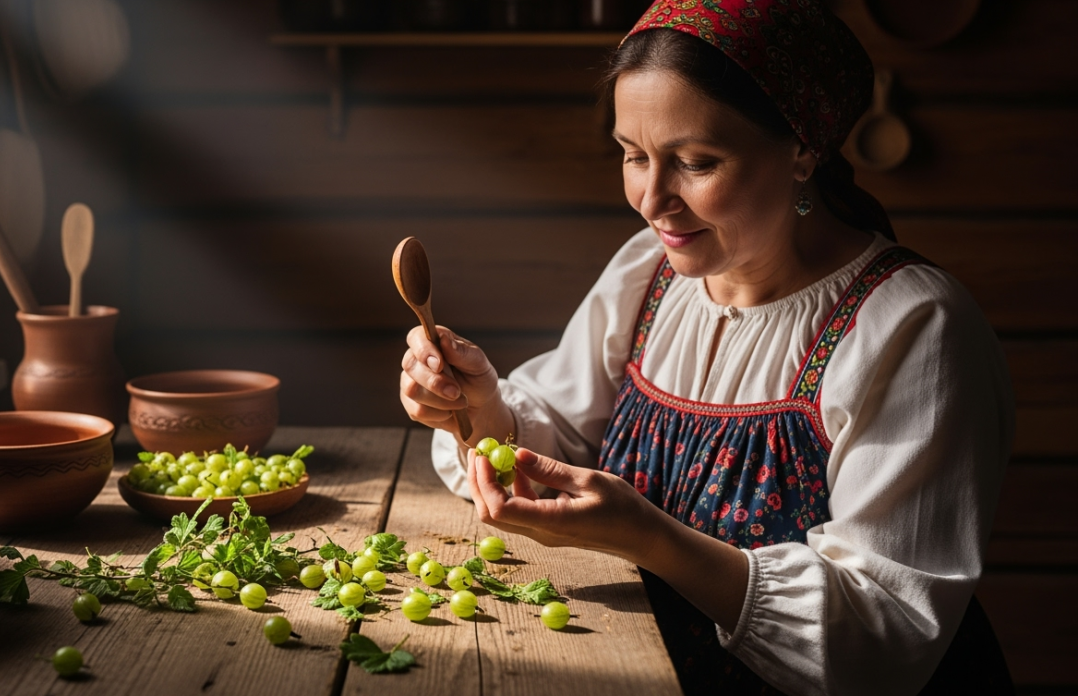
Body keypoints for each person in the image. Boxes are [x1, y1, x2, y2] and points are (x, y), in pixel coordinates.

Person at [397, 1, 1016, 694]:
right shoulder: (650, 272)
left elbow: (882, 631)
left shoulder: (912, 327)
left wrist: (649, 538)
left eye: (695, 162)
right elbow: (564, 440)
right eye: (634, 156)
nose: (651, 200)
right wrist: (484, 411)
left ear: (802, 150)